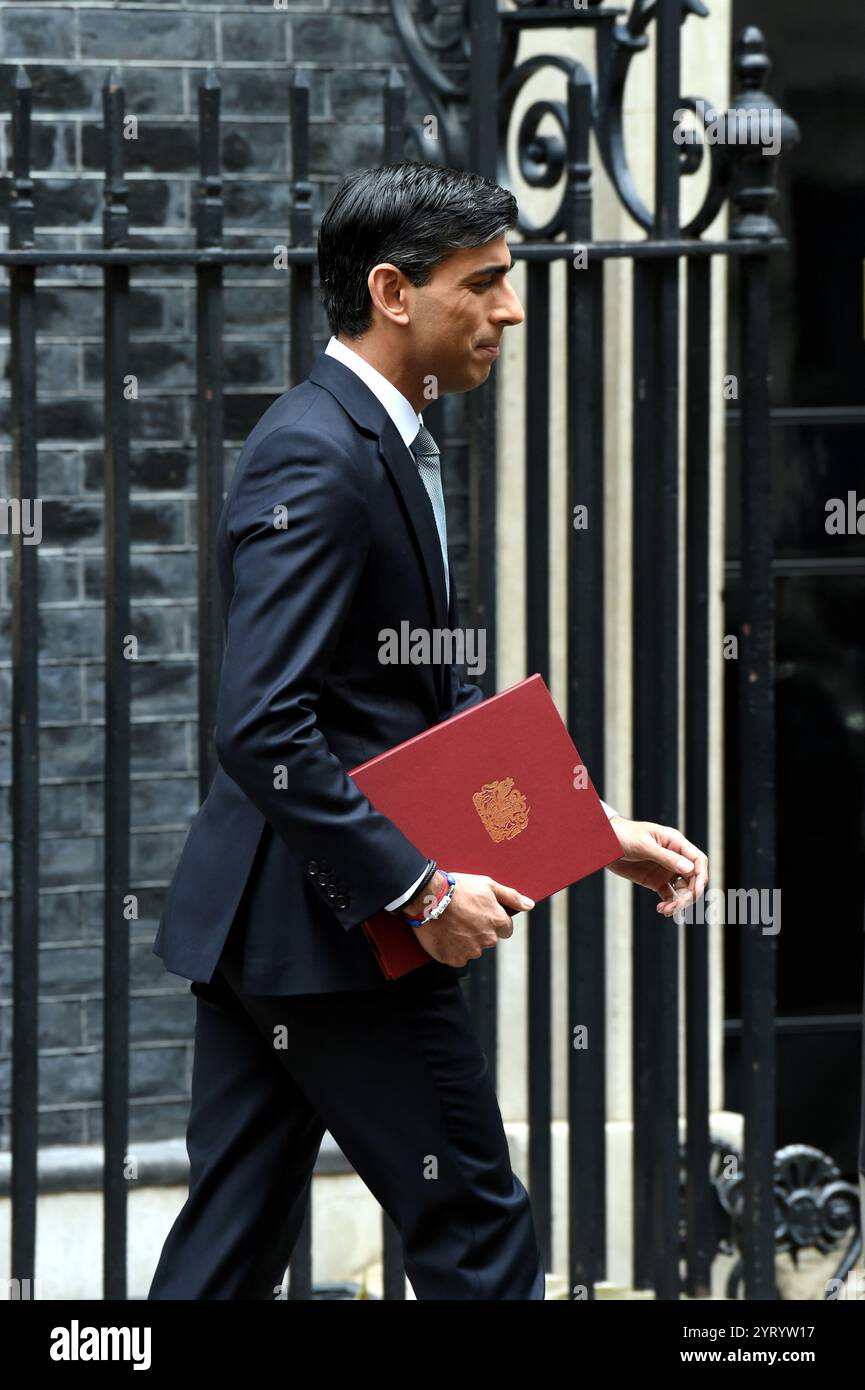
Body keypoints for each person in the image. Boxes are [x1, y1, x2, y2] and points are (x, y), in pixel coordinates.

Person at [147, 161, 708, 1301]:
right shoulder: (319, 451)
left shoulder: (381, 436)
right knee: (476, 1228)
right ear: (395, 291)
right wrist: (418, 891)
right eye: (485, 282)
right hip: (338, 930)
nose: (509, 306)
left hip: (278, 929)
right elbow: (264, 724)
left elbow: (407, 715)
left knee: (228, 1246)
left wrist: (587, 831)